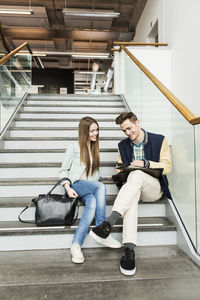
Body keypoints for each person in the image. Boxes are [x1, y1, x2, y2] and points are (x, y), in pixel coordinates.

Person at [90, 112, 172, 275]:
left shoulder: (159, 139)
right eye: (124, 131)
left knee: (137, 174)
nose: (127, 133)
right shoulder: (122, 146)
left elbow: (167, 167)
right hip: (133, 189)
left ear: (137, 122)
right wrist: (120, 173)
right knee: (131, 194)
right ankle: (128, 250)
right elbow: (120, 168)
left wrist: (145, 164)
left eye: (129, 128)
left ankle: (109, 222)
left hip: (153, 189)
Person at [60, 116, 121, 264]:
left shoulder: (94, 149)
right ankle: (101, 229)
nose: (96, 133)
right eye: (92, 131)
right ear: (84, 132)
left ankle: (76, 245)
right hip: (76, 185)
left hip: (89, 188)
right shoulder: (73, 148)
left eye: (97, 130)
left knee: (92, 202)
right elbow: (63, 171)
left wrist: (107, 178)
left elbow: (93, 176)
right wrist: (67, 188)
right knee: (100, 187)